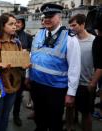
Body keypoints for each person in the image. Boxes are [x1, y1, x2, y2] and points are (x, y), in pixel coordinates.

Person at [27, 3, 81, 131]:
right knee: (39, 118)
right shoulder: (39, 34)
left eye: (50, 16)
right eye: (45, 16)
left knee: (54, 122)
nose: (47, 19)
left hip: (56, 89)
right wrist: (28, 76)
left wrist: (71, 93)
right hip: (36, 85)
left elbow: (75, 67)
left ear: (60, 17)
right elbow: (31, 56)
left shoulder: (70, 38)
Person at [68, 13, 95, 131]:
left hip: (86, 84)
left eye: (74, 25)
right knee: (69, 108)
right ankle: (68, 127)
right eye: (70, 26)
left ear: (83, 24)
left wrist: (94, 81)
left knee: (86, 113)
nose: (71, 28)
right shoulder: (70, 40)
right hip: (71, 83)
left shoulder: (94, 41)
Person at [12, 16, 33, 126]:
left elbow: (32, 52)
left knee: (18, 96)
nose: (16, 24)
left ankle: (16, 115)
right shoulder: (8, 35)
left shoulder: (28, 37)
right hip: (9, 71)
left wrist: (26, 51)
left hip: (21, 72)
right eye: (14, 22)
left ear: (23, 24)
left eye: (19, 22)